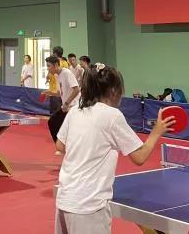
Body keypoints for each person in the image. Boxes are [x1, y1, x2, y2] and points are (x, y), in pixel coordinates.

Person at [55, 64, 175, 234]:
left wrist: (86, 145)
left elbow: (60, 145)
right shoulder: (112, 116)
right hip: (89, 206)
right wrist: (157, 131)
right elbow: (139, 157)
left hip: (64, 200)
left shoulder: (75, 111)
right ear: (113, 91)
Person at [42, 55, 79, 155]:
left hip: (74, 106)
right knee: (52, 122)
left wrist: (66, 103)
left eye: (49, 66)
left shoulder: (66, 73)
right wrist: (49, 93)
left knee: (61, 125)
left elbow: (76, 89)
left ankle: (68, 149)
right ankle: (61, 148)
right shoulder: (57, 75)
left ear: (55, 65)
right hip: (66, 107)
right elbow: (59, 93)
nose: (48, 68)